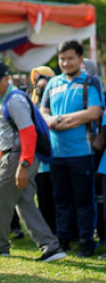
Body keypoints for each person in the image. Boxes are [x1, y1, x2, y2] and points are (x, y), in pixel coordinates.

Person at [0, 61, 66, 261]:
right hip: (11, 155)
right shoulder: (0, 98)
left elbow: (28, 134)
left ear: (7, 79)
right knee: (25, 203)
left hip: (18, 156)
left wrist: (24, 165)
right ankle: (51, 246)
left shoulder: (14, 100)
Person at [40, 40, 103, 257]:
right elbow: (43, 113)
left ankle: (86, 241)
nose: (66, 63)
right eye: (62, 59)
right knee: (61, 199)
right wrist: (59, 120)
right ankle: (63, 239)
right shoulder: (53, 83)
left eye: (70, 58)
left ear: (80, 59)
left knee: (84, 200)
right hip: (57, 154)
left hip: (82, 153)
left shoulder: (90, 82)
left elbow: (94, 112)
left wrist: (60, 119)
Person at [30, 66, 57, 233]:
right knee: (43, 196)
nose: (40, 84)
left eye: (44, 79)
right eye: (37, 81)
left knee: (57, 195)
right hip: (40, 157)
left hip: (55, 154)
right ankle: (49, 229)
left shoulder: (55, 97)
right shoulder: (32, 101)